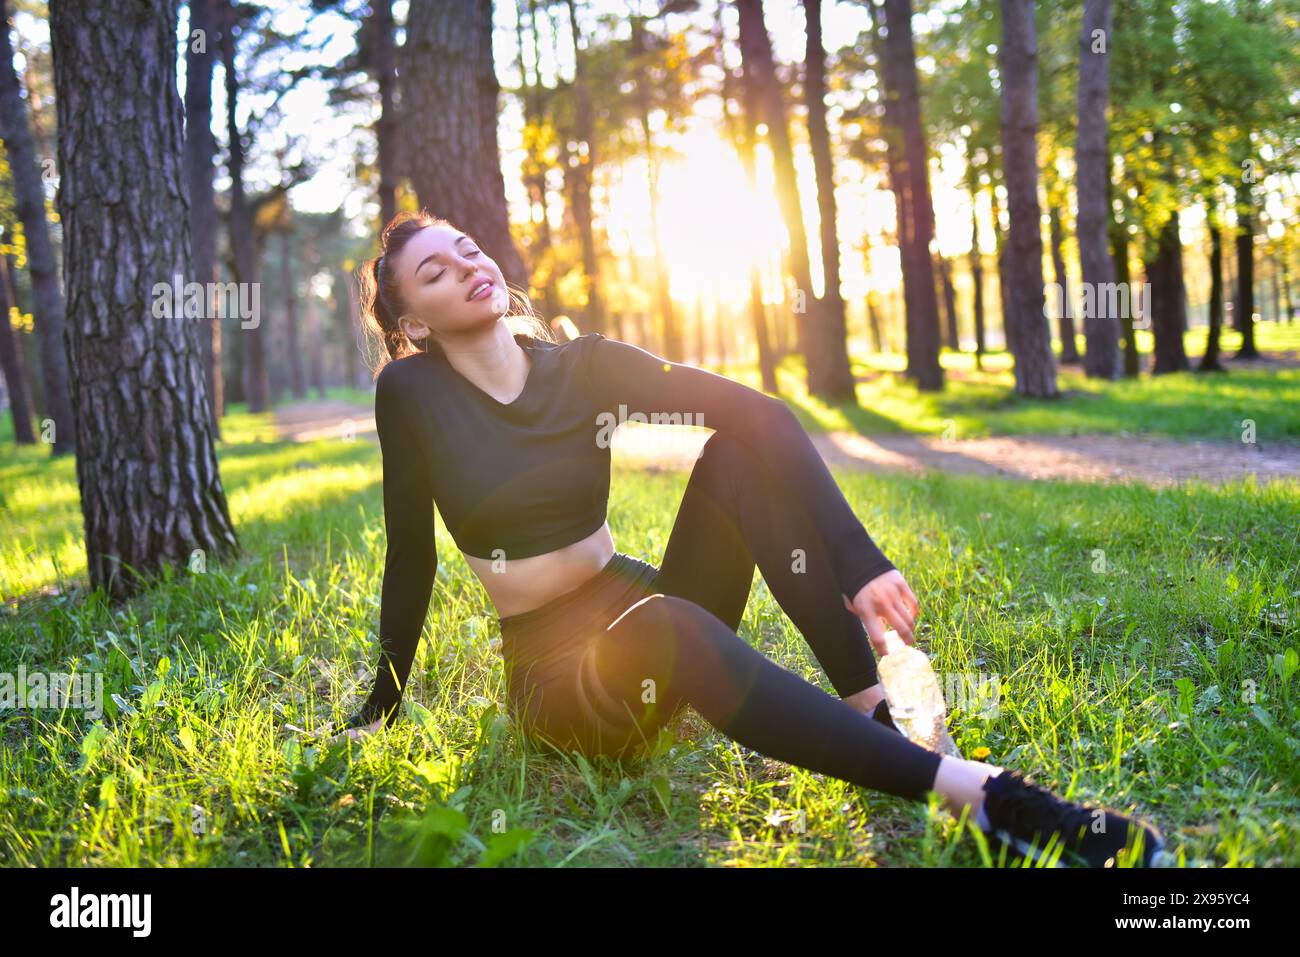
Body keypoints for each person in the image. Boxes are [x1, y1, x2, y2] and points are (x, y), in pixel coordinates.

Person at [330, 209, 1167, 868]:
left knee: (738, 460)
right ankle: (977, 795)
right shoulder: (411, 393)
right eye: (435, 271)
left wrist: (860, 560)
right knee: (669, 622)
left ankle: (873, 714)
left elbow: (761, 414)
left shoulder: (578, 365)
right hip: (563, 680)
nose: (469, 267)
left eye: (470, 248)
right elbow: (412, 554)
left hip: (643, 611)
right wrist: (381, 701)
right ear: (413, 319)